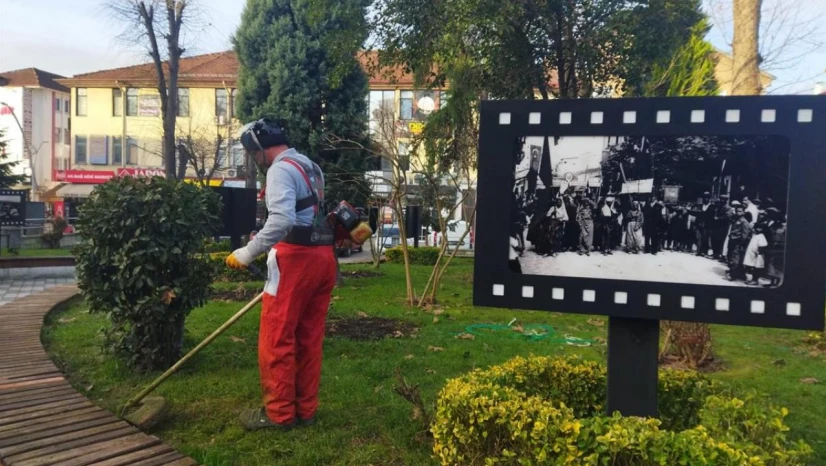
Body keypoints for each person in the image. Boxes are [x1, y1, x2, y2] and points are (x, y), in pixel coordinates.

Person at [226, 118, 338, 431]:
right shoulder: (312, 167)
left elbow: (282, 220)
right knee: (309, 337)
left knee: (277, 336)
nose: (253, 160)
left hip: (295, 261)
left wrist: (247, 253)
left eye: (252, 153)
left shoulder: (278, 169)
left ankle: (279, 415)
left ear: (260, 147)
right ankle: (306, 409)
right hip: (323, 258)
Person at [727, 207, 752, 281]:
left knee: (735, 259)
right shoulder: (736, 220)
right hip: (733, 241)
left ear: (743, 212)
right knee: (732, 257)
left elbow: (745, 234)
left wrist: (742, 243)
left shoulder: (744, 221)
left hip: (738, 242)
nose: (738, 213)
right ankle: (740, 275)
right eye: (737, 211)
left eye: (740, 211)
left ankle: (733, 275)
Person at [764, 208, 786, 287]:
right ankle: (772, 282)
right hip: (772, 246)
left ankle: (777, 282)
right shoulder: (774, 225)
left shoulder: (784, 227)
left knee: (778, 265)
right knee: (771, 265)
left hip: (780, 248)